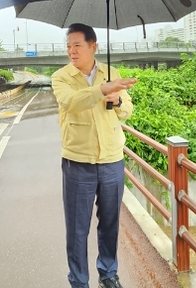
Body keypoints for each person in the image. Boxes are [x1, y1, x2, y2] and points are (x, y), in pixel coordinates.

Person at [51, 23, 137, 288]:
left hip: (112, 158)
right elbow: (71, 103)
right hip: (78, 161)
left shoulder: (110, 73)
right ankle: (78, 280)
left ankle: (108, 273)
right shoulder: (61, 77)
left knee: (110, 223)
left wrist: (118, 101)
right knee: (78, 228)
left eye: (77, 45)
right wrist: (102, 90)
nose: (71, 51)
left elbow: (127, 111)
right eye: (68, 46)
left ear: (93, 46)